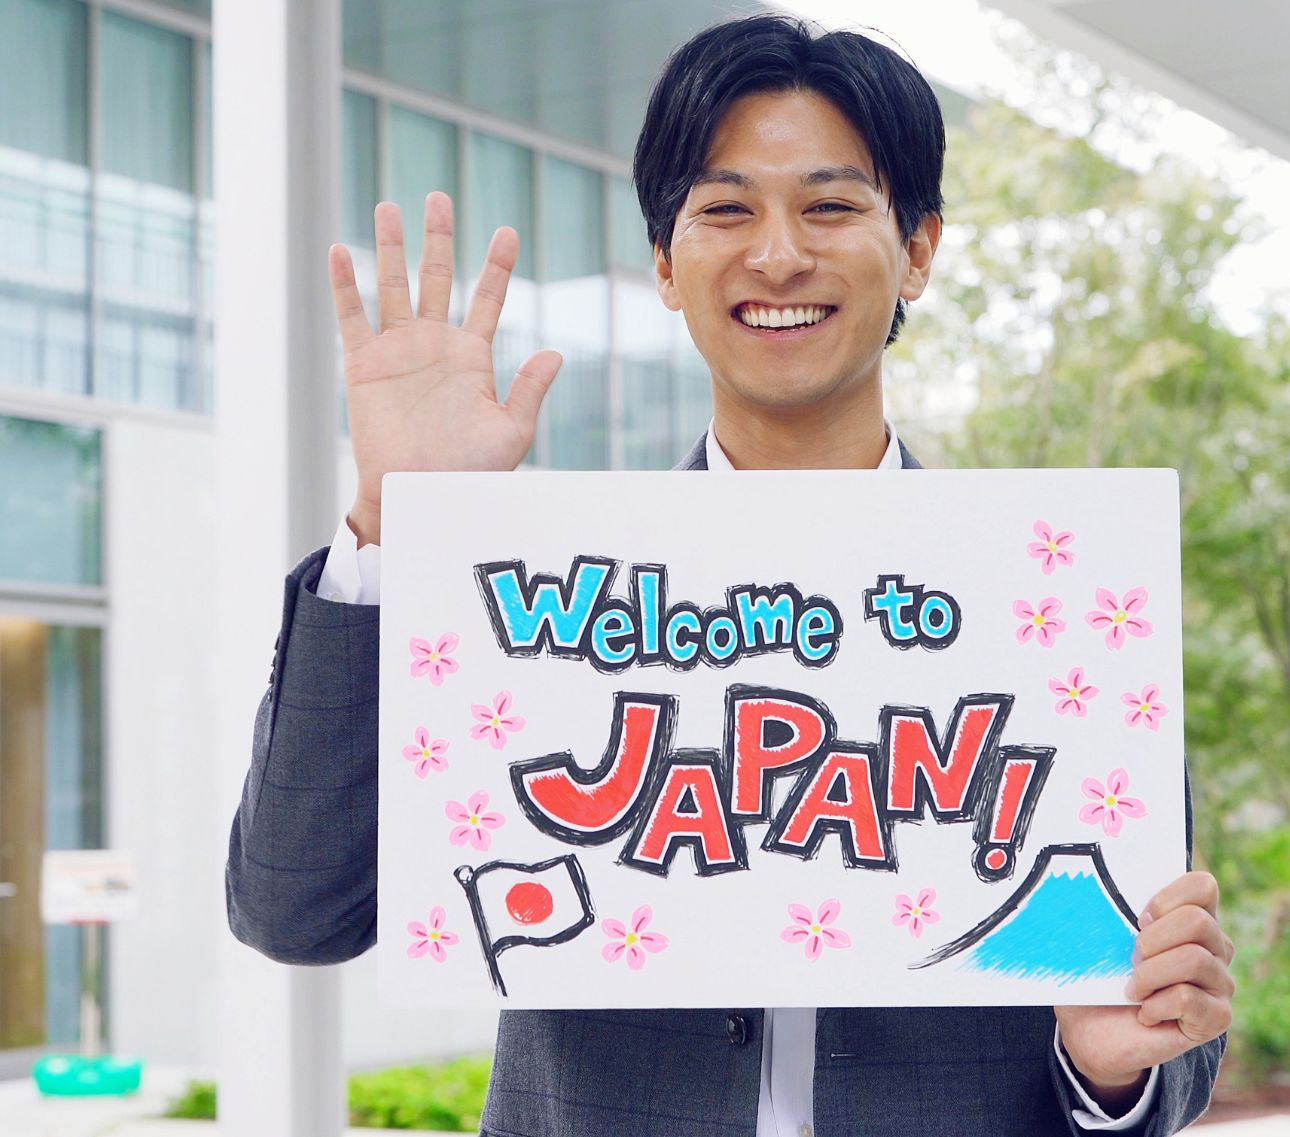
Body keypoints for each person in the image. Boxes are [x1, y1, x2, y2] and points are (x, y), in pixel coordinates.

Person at [227, 15, 1233, 1137]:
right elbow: (294, 910)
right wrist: (391, 522)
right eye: (725, 209)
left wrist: (1112, 1072)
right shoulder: (549, 600)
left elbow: (1166, 1028)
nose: (777, 255)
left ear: (919, 250)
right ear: (664, 260)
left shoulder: (1056, 608)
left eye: (832, 205)